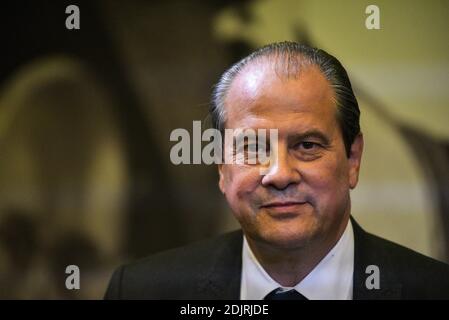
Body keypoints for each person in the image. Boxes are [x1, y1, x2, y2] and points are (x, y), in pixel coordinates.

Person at [104, 42, 449, 300]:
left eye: (307, 146)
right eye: (253, 148)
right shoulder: (141, 292)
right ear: (222, 168)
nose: (280, 174)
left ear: (352, 159)